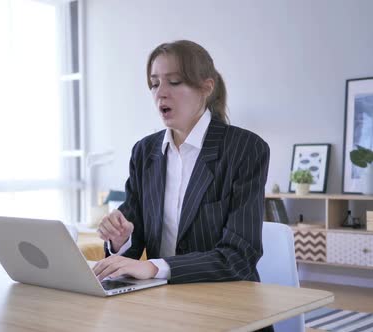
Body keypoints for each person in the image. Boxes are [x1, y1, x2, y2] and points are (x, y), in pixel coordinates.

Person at [93, 40, 270, 286]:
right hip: (161, 300)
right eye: (154, 84)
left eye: (174, 82)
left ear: (206, 87)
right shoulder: (144, 152)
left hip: (224, 298)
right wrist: (120, 239)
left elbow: (238, 257)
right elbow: (132, 248)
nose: (161, 93)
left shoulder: (245, 149)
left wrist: (155, 267)